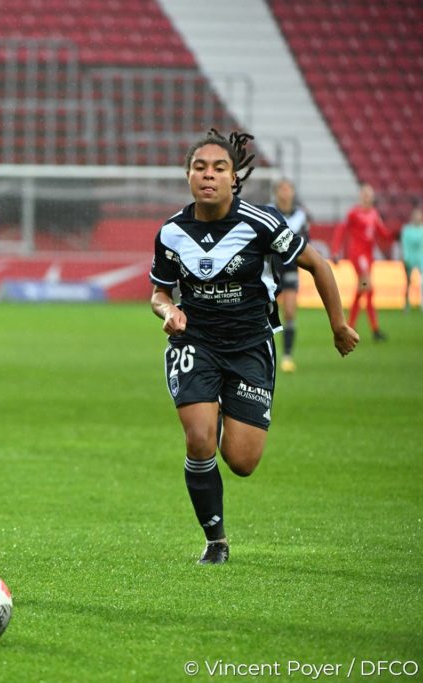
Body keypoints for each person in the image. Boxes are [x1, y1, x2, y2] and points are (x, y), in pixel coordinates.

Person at [149, 129, 359, 565]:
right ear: (188, 175)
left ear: (234, 177)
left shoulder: (261, 223)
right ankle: (216, 541)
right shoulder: (171, 232)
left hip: (250, 346)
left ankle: (218, 412)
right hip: (196, 342)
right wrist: (169, 312)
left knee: (242, 462)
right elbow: (159, 293)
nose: (208, 175)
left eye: (219, 168)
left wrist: (338, 324)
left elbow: (317, 264)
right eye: (200, 167)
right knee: (199, 439)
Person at [330, 183, 393, 341]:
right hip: (358, 256)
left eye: (369, 195)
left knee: (364, 290)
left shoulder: (374, 214)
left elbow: (383, 233)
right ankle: (374, 329)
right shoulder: (354, 213)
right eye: (364, 194)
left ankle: (351, 325)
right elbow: (341, 230)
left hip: (369, 257)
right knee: (367, 286)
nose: (366, 197)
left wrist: (396, 234)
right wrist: (335, 250)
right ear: (360, 196)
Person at [269, 179, 311, 372]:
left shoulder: (301, 216)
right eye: (282, 189)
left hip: (291, 269)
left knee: (289, 312)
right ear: (277, 192)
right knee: (264, 312)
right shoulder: (269, 212)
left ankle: (287, 356)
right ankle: (264, 353)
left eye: (288, 189)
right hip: (270, 270)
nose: (285, 193)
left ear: (293, 193)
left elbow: (305, 244)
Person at [400, 207, 423, 311]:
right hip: (409, 258)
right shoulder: (407, 230)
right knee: (408, 282)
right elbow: (404, 244)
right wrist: (404, 257)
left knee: (422, 282)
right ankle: (406, 304)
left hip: (421, 258)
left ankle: (421, 303)